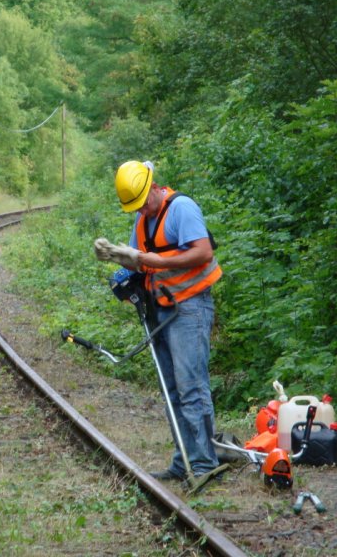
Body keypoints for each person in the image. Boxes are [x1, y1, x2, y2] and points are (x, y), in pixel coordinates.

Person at [94, 160, 222, 480]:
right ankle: (184, 461)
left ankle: (205, 463)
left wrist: (154, 260)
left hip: (190, 307)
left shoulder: (182, 209)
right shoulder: (141, 219)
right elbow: (139, 262)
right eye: (136, 207)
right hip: (161, 310)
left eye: (145, 203)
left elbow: (203, 252)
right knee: (171, 390)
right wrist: (117, 256)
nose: (144, 211)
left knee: (192, 387)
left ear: (153, 186)